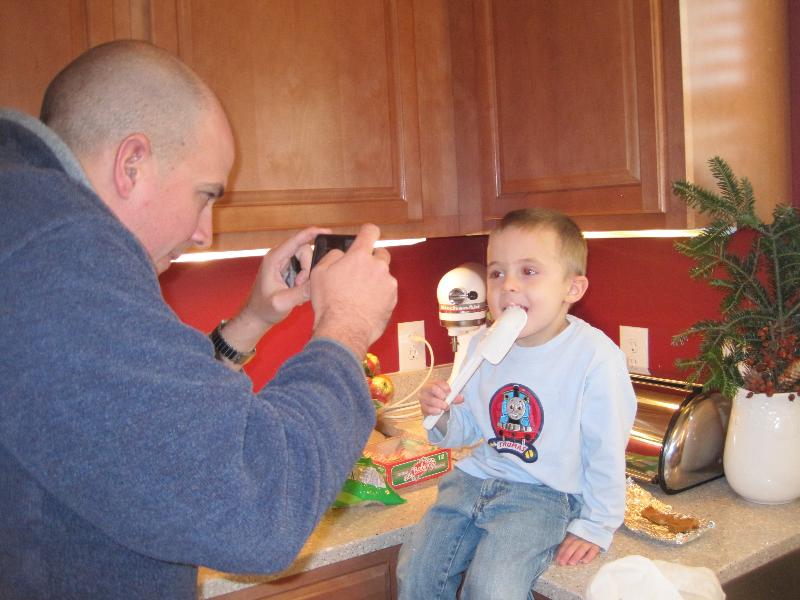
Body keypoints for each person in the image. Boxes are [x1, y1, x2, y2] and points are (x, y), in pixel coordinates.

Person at [0, 40, 397, 600]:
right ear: (132, 164)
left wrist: (250, 321)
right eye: (204, 195)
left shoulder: (26, 221)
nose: (204, 232)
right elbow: (257, 505)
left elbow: (135, 421)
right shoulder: (63, 250)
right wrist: (346, 328)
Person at [396, 208, 637, 599]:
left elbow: (606, 449)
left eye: (528, 271)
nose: (508, 285)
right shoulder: (480, 343)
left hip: (543, 495)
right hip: (470, 481)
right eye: (496, 273)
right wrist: (440, 415)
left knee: (492, 590)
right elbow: (467, 428)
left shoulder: (594, 358)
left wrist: (597, 525)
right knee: (415, 573)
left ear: (572, 288)